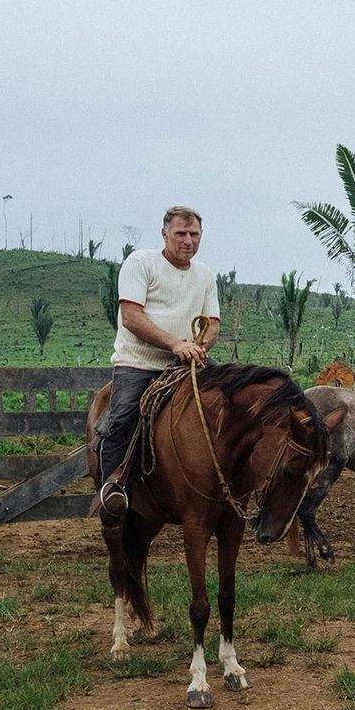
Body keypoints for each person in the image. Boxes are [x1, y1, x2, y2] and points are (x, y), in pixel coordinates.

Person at [96, 206, 221, 514]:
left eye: (194, 234)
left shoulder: (205, 275)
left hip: (188, 363)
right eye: (181, 233)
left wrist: (201, 344)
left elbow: (213, 322)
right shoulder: (141, 263)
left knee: (233, 403)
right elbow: (132, 317)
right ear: (165, 234)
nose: (188, 241)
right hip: (139, 362)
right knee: (122, 418)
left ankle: (236, 485)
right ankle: (113, 487)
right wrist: (175, 344)